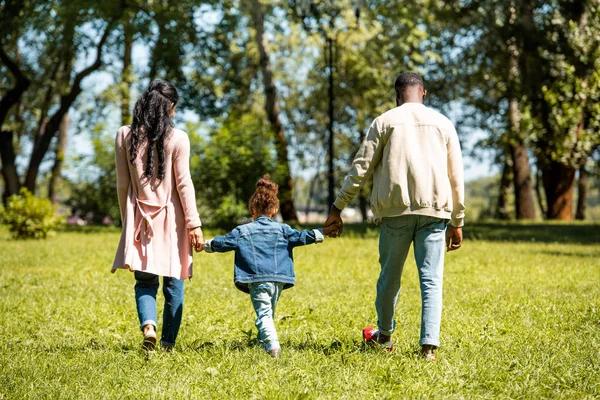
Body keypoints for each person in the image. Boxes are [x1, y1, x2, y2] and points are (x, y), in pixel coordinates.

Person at [325, 72, 465, 362]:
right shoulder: (444, 124)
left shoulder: (385, 121)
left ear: (397, 95)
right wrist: (458, 220)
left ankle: (385, 335)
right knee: (431, 280)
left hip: (394, 213)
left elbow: (361, 168)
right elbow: (456, 177)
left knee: (389, 277)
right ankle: (428, 349)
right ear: (423, 93)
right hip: (434, 213)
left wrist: (338, 207)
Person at [202, 175, 339, 358]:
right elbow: (303, 236)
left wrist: (204, 245)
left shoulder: (242, 231)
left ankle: (273, 346)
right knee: (269, 312)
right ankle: (263, 342)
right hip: (279, 279)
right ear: (274, 211)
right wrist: (324, 231)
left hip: (257, 279)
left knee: (264, 315)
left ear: (252, 210)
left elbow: (222, 243)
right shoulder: (283, 230)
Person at [112, 80, 204, 351]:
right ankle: (167, 344)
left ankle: (149, 326)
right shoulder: (178, 138)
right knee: (174, 283)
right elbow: (184, 183)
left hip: (140, 218)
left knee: (145, 283)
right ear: (170, 108)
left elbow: (122, 184)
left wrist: (126, 221)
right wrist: (194, 224)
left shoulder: (124, 135)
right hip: (173, 223)